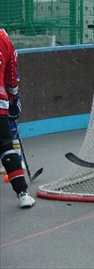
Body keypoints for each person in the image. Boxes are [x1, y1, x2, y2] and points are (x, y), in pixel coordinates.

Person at [0, 29, 36, 208]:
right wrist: (14, 97)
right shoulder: (4, 38)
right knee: (6, 147)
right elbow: (12, 74)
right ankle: (22, 194)